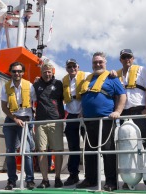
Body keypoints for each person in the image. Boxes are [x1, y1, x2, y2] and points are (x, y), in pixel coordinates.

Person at [76, 52, 126, 191]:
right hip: (88, 121)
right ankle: (90, 179)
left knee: (108, 151)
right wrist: (82, 111)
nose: (97, 64)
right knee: (89, 151)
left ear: (105, 63)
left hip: (105, 120)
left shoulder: (112, 78)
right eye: (95, 62)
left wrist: (118, 112)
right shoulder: (88, 79)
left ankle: (111, 182)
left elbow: (122, 95)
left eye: (100, 62)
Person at [116, 49, 146, 189]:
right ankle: (129, 177)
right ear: (120, 59)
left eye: (129, 57)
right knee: (127, 146)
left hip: (140, 111)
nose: (126, 59)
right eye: (124, 57)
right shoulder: (117, 74)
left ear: (133, 58)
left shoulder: (142, 70)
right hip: (124, 113)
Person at [1, 62, 36, 190]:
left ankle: (30, 180)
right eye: (14, 71)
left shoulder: (30, 86)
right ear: (11, 72)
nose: (17, 73)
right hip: (11, 120)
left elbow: (35, 102)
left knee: (26, 151)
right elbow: (4, 107)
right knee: (10, 152)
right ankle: (11, 180)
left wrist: (31, 122)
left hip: (26, 120)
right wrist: (14, 118)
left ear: (23, 73)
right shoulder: (5, 87)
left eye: (19, 71)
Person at [33, 62, 65, 188]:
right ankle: (45, 180)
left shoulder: (59, 84)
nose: (47, 74)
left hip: (55, 120)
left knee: (58, 151)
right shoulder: (36, 85)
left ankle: (57, 178)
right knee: (41, 151)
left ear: (53, 72)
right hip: (40, 122)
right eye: (45, 71)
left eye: (49, 71)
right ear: (41, 73)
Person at [62, 58, 89, 186]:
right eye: (69, 67)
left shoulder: (87, 75)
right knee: (73, 147)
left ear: (78, 66)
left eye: (74, 66)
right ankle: (73, 175)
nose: (72, 68)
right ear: (66, 68)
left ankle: (90, 175)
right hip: (71, 116)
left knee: (89, 146)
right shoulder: (64, 80)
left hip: (85, 115)